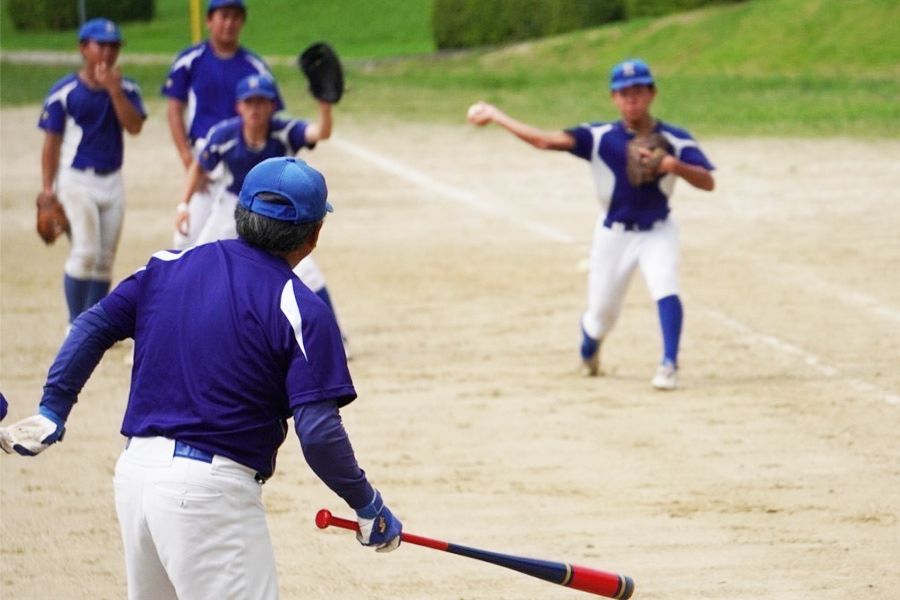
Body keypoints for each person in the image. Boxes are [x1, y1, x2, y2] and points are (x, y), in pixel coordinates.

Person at [0, 157, 403, 599]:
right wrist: (367, 504)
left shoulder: (165, 265)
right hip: (210, 498)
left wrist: (52, 408)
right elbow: (320, 433)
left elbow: (91, 326)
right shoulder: (301, 307)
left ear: (239, 214)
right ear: (313, 236)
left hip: (135, 479)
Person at [467, 58, 715, 390]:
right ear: (613, 98)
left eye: (639, 91)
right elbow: (546, 141)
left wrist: (674, 165)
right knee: (601, 316)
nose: (632, 99)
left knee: (665, 285)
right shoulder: (599, 137)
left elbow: (707, 182)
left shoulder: (675, 139)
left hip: (658, 230)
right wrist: (497, 116)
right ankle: (590, 345)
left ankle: (669, 364)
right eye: (624, 93)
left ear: (652, 93)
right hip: (613, 236)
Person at [176, 73, 351, 355]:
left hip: (276, 212)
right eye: (249, 102)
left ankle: (336, 340)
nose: (255, 109)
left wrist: (325, 107)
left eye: (262, 102)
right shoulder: (224, 135)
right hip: (232, 206)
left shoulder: (283, 131)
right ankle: (174, 329)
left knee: (307, 272)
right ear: (239, 107)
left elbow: (320, 133)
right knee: (199, 263)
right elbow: (199, 166)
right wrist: (184, 205)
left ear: (273, 106)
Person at [38, 17, 146, 325]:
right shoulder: (65, 91)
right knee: (85, 253)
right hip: (75, 180)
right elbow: (52, 143)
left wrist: (114, 90)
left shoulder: (126, 88)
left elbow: (134, 126)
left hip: (112, 181)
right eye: (101, 45)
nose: (108, 53)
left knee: (104, 262)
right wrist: (48, 188)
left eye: (114, 46)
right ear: (84, 48)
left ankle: (94, 326)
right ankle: (76, 325)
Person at [162, 0, 284, 249]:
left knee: (234, 241)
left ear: (242, 23)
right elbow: (174, 110)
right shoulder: (191, 60)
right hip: (205, 160)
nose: (229, 23)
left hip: (240, 162)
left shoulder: (254, 67)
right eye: (223, 15)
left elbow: (273, 118)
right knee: (185, 239)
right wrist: (188, 160)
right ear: (209, 20)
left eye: (236, 17)